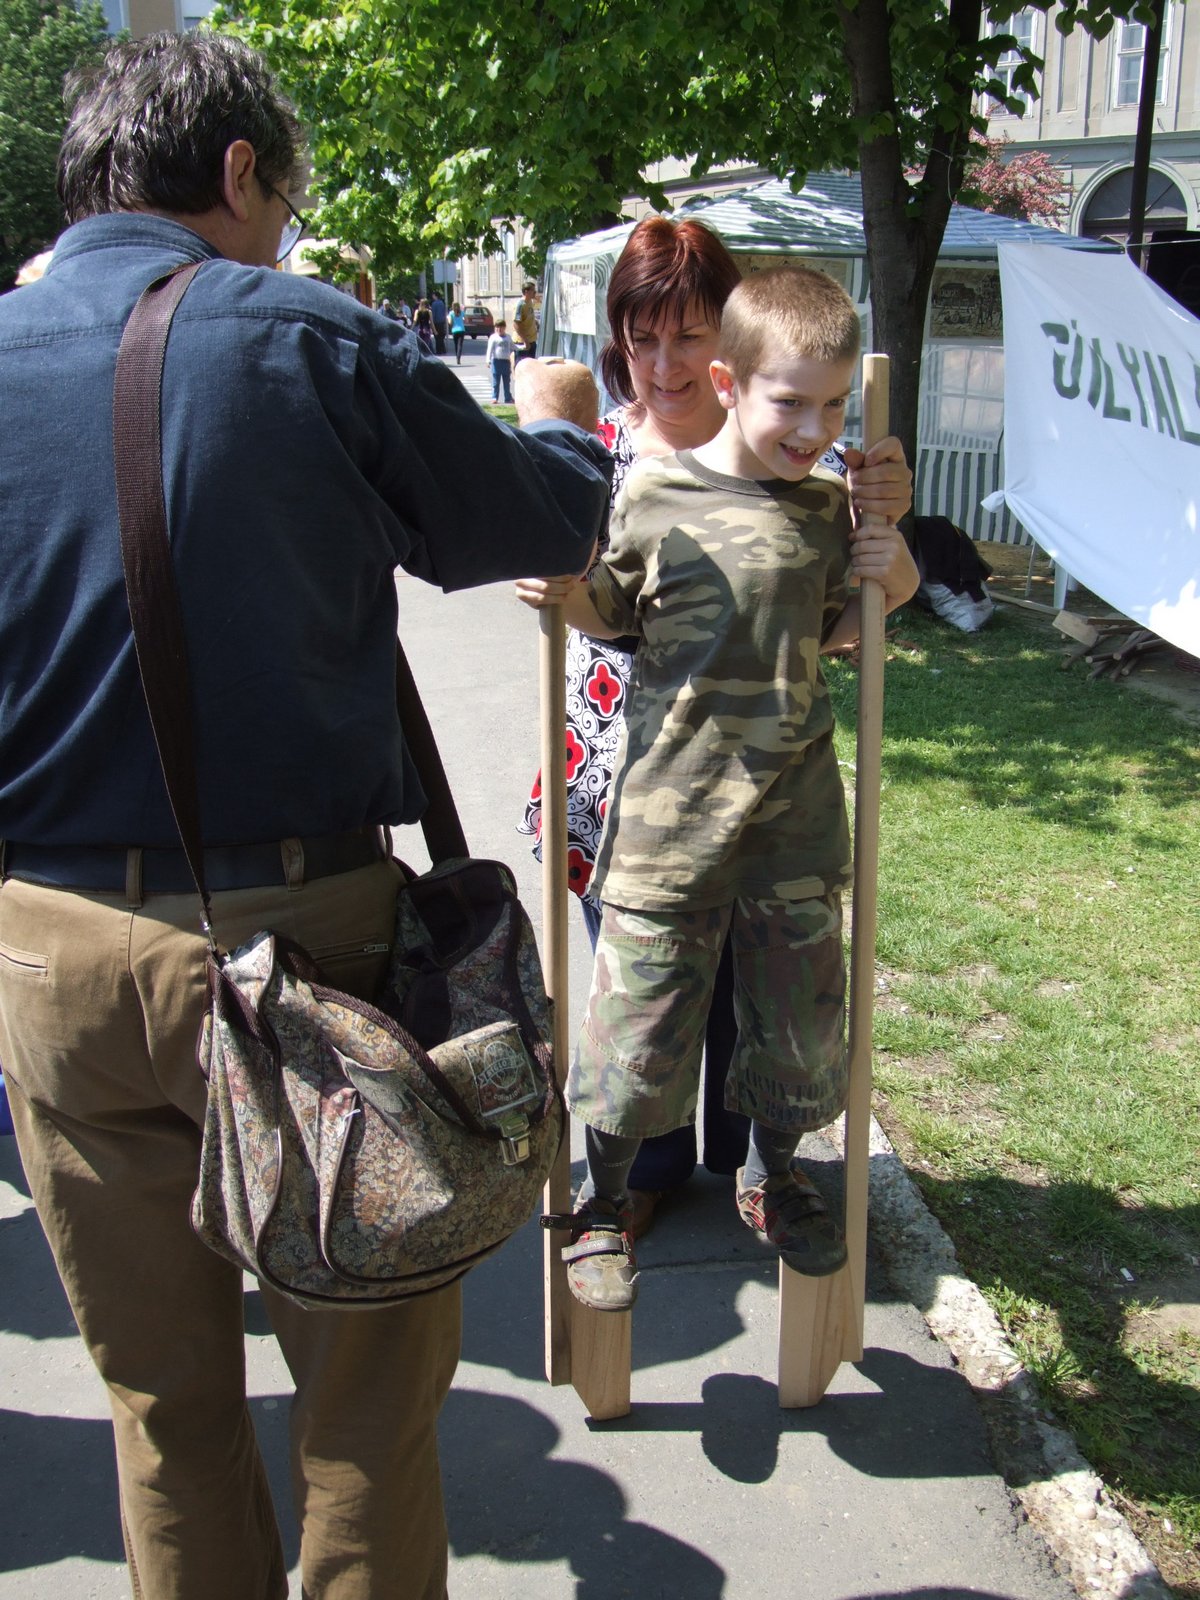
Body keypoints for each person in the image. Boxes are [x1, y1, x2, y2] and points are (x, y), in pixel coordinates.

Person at [0, 30, 610, 1600]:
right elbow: (538, 515)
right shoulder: (302, 333)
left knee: (162, 1413)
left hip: (50, 956)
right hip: (303, 953)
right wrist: (564, 416)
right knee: (363, 1417)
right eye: (285, 197)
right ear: (238, 170)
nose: (283, 230)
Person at [518, 264, 919, 1312]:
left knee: (796, 1025)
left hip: (793, 824)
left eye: (834, 405)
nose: (815, 427)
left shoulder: (830, 508)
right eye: (792, 402)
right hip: (671, 820)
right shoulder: (656, 493)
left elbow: (858, 624)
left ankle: (773, 1176)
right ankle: (604, 1204)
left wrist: (895, 557)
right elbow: (610, 611)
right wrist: (559, 585)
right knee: (639, 1031)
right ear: (732, 384)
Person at [487, 318, 515, 402]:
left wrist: (522, 348)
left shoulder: (508, 337)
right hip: (496, 361)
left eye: (501, 327)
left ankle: (508, 398)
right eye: (497, 327)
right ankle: (494, 397)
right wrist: (488, 360)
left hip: (506, 361)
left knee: (507, 381)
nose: (499, 329)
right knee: (496, 381)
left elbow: (513, 347)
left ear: (504, 328)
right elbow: (489, 349)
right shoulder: (493, 337)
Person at [513, 281, 538, 361]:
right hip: (522, 342)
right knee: (522, 365)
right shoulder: (520, 305)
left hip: (532, 340)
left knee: (531, 366)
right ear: (526, 292)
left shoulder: (530, 302)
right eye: (533, 291)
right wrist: (525, 340)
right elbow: (516, 324)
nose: (535, 292)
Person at [431, 288, 448, 353]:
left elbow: (433, 314)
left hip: (436, 322)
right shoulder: (442, 303)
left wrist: (432, 322)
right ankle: (443, 349)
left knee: (437, 336)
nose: (432, 297)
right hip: (442, 321)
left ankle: (439, 350)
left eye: (433, 296)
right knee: (441, 336)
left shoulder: (434, 304)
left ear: (436, 296)